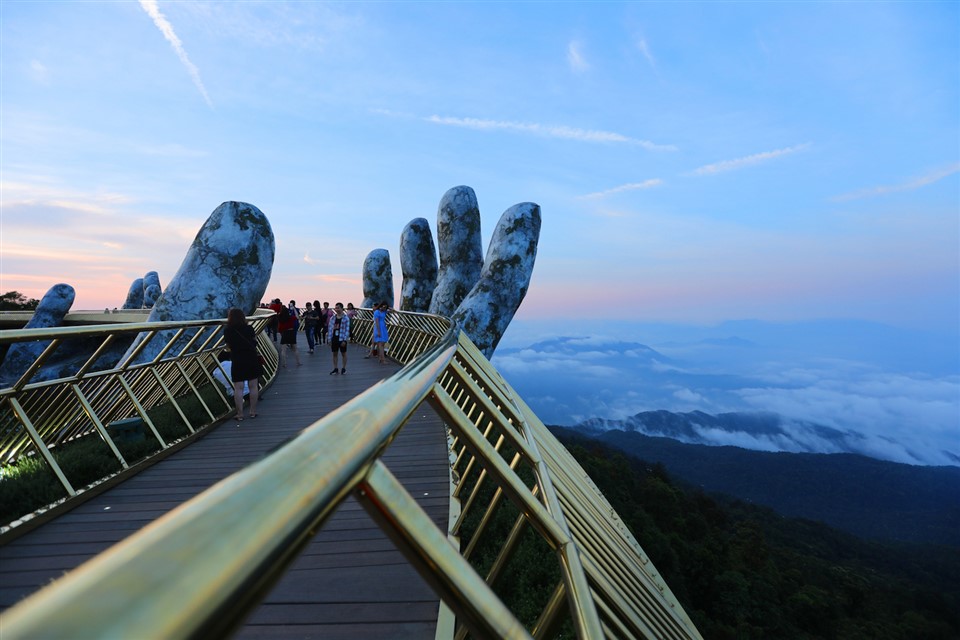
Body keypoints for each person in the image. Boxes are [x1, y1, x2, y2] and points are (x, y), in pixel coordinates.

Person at [223, 308, 262, 421]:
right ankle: (253, 411)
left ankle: (240, 414)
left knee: (238, 388)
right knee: (253, 386)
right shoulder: (249, 328)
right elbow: (254, 341)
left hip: (237, 358)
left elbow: (228, 346)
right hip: (251, 357)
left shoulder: (228, 330)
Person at [328, 302, 350, 375]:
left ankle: (343, 368)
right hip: (334, 338)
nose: (337, 309)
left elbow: (347, 330)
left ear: (342, 308)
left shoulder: (346, 318)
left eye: (338, 308)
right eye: (336, 308)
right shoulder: (333, 318)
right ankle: (335, 368)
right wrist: (329, 339)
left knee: (343, 353)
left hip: (342, 338)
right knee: (334, 353)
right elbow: (330, 329)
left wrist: (345, 340)